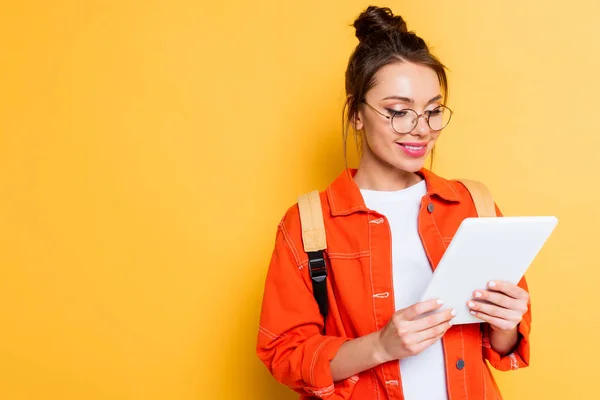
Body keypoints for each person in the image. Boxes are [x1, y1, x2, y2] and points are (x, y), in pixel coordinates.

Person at [256, 5, 531, 400]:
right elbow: (283, 353)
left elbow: (499, 348)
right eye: (399, 111)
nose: (421, 129)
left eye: (434, 111)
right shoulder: (308, 223)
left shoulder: (474, 205)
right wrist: (380, 346)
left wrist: (507, 322)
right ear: (356, 114)